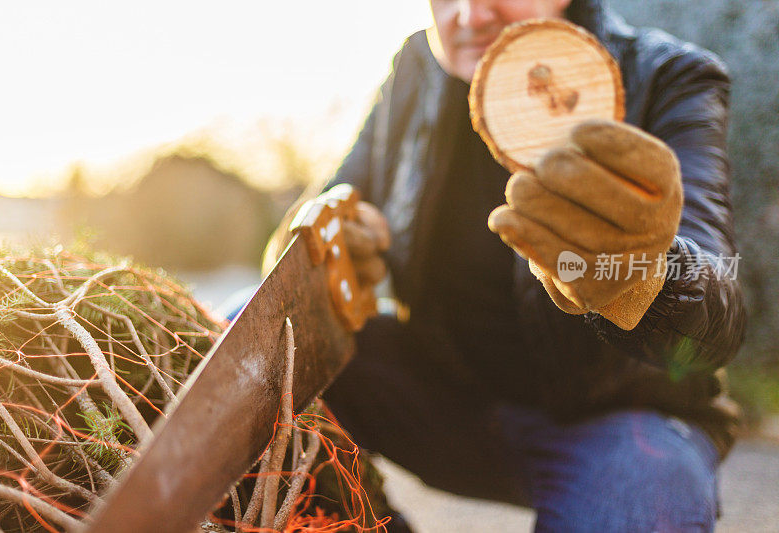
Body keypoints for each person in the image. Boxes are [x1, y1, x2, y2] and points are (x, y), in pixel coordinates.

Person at [262, 0, 747, 531]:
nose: (468, 15)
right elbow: (326, 208)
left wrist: (641, 275)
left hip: (625, 426)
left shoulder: (669, 75)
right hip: (445, 404)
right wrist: (320, 240)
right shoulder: (416, 67)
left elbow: (718, 315)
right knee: (254, 351)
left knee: (647, 489)